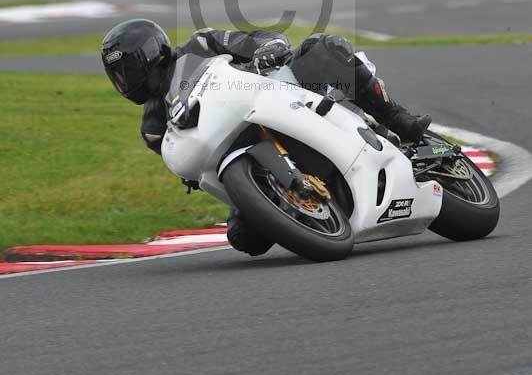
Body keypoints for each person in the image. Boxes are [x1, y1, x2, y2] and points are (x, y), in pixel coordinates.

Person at [101, 20, 431, 257]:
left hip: (279, 92)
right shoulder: (153, 127)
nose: (124, 82)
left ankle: (396, 118)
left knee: (325, 48)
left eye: (126, 71)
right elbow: (193, 169)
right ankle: (290, 201)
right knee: (244, 238)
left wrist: (267, 48)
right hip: (236, 152)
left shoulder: (199, 45)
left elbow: (252, 39)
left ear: (150, 55)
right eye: (116, 77)